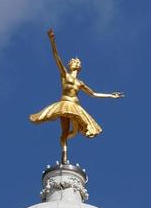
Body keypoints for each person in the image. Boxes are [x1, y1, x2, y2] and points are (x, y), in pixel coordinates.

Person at [30, 28, 124, 164]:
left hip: (75, 107)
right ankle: (64, 153)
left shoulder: (80, 83)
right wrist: (52, 41)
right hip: (65, 104)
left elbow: (93, 94)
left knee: (74, 132)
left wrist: (111, 95)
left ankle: (65, 140)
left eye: (77, 63)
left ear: (79, 67)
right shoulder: (65, 75)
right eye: (74, 62)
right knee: (65, 132)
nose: (76, 63)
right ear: (70, 65)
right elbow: (57, 57)